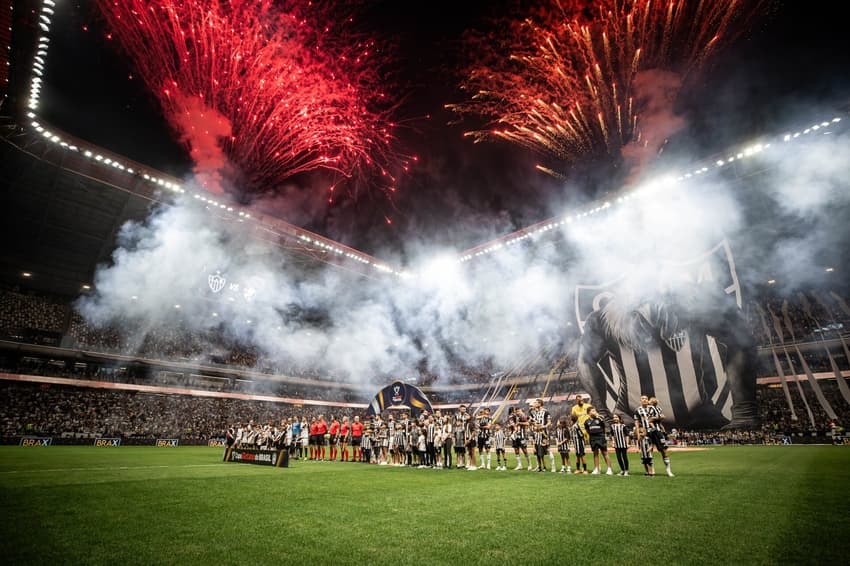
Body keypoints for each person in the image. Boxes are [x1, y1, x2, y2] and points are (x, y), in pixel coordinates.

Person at [634, 395, 674, 477]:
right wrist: (638, 434)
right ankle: (651, 471)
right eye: (642, 399)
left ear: (648, 400)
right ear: (640, 400)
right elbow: (637, 423)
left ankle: (668, 471)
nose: (644, 400)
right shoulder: (638, 410)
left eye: (646, 399)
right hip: (646, 433)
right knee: (648, 453)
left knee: (664, 450)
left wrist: (656, 419)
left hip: (657, 431)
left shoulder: (654, 408)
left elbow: (661, 417)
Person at [584, 407, 613, 475]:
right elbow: (588, 430)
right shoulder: (586, 421)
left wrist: (603, 435)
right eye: (593, 411)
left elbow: (604, 427)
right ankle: (597, 469)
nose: (595, 412)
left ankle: (609, 469)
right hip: (593, 438)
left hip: (601, 437)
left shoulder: (600, 418)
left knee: (604, 453)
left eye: (595, 410)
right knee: (595, 453)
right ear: (589, 413)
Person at [529, 399, 553, 472]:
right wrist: (533, 424)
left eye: (536, 403)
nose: (535, 404)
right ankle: (539, 467)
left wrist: (544, 426)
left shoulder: (546, 412)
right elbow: (532, 421)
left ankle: (552, 467)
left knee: (547, 451)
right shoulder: (535, 412)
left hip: (544, 434)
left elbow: (549, 422)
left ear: (540, 403)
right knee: (537, 453)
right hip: (537, 434)